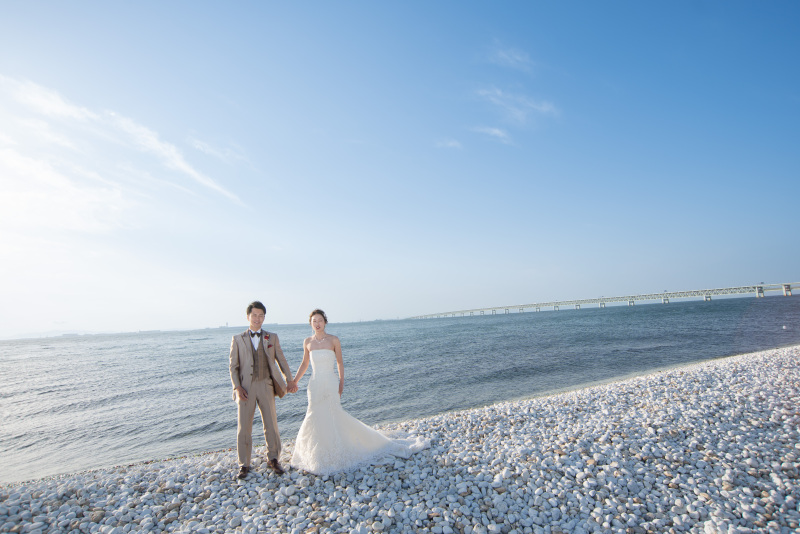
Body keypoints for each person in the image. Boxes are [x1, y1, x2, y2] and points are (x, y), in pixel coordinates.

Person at [290, 309, 429, 475]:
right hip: (314, 384)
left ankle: (339, 449)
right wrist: (294, 381)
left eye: (320, 320)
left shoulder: (334, 340)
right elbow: (304, 364)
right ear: (310, 323)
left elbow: (340, 363)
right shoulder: (307, 342)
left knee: (334, 414)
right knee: (314, 415)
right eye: (314, 321)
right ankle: (316, 454)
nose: (317, 323)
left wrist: (341, 382)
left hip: (330, 382)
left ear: (325, 322)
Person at [229, 301, 297, 479]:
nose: (257, 319)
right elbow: (233, 366)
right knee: (244, 427)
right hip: (245, 388)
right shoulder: (237, 339)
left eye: (261, 315)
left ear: (264, 317)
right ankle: (244, 463)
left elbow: (282, 360)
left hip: (266, 385)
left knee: (271, 425)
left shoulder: (271, 337)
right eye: (254, 315)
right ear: (248, 317)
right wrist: (237, 387)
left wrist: (290, 380)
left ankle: (273, 459)